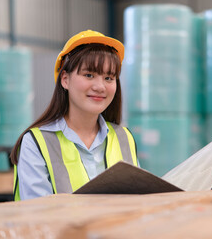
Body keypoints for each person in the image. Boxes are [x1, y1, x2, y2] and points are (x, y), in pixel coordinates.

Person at [10, 30, 139, 201]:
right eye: (89, 75)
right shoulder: (36, 144)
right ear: (65, 79)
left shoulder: (125, 138)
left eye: (109, 78)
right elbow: (38, 216)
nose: (100, 86)